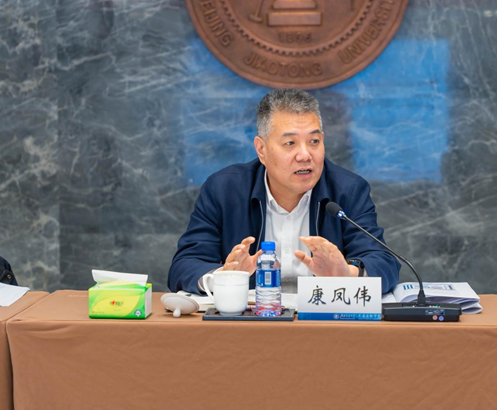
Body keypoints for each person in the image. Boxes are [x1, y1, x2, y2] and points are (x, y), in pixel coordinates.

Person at [168, 89, 400, 294]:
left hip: (322, 323)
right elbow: (184, 266)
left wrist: (347, 274)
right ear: (261, 149)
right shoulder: (224, 190)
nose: (305, 155)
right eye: (290, 143)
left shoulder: (348, 190)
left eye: (314, 141)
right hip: (252, 322)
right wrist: (225, 276)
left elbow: (384, 262)